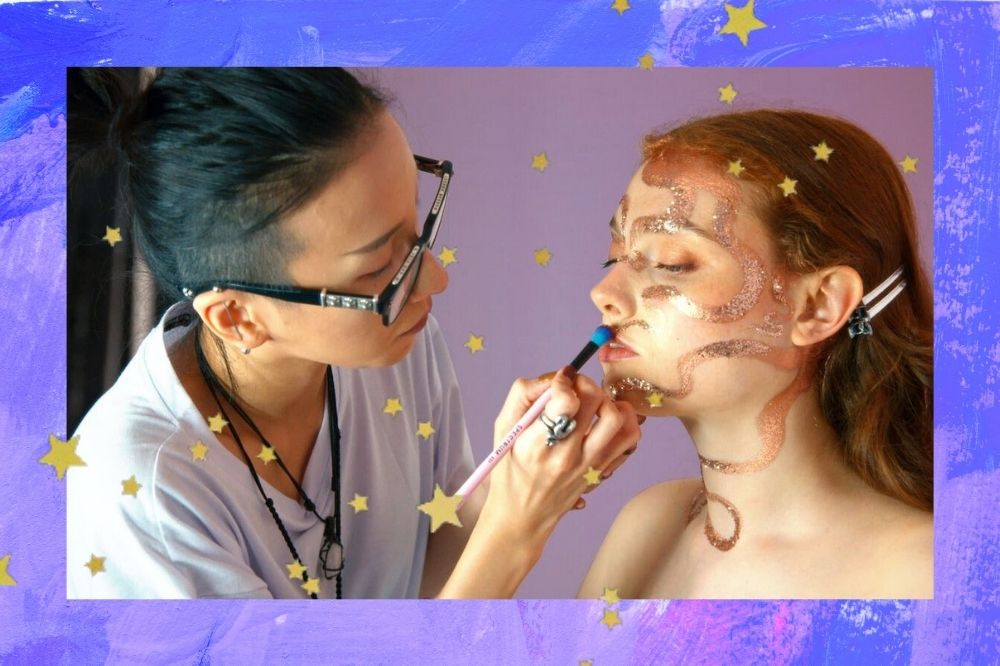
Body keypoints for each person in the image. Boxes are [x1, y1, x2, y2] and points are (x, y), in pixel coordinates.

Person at [66, 67, 640, 599]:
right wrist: (518, 529)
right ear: (238, 317)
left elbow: (421, 587)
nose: (433, 279)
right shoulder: (142, 491)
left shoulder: (397, 346)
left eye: (418, 232)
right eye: (375, 270)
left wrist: (506, 483)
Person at [578, 109, 933, 598]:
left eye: (671, 263)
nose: (604, 292)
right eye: (614, 257)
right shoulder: (650, 526)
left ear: (818, 305)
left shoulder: (924, 569)